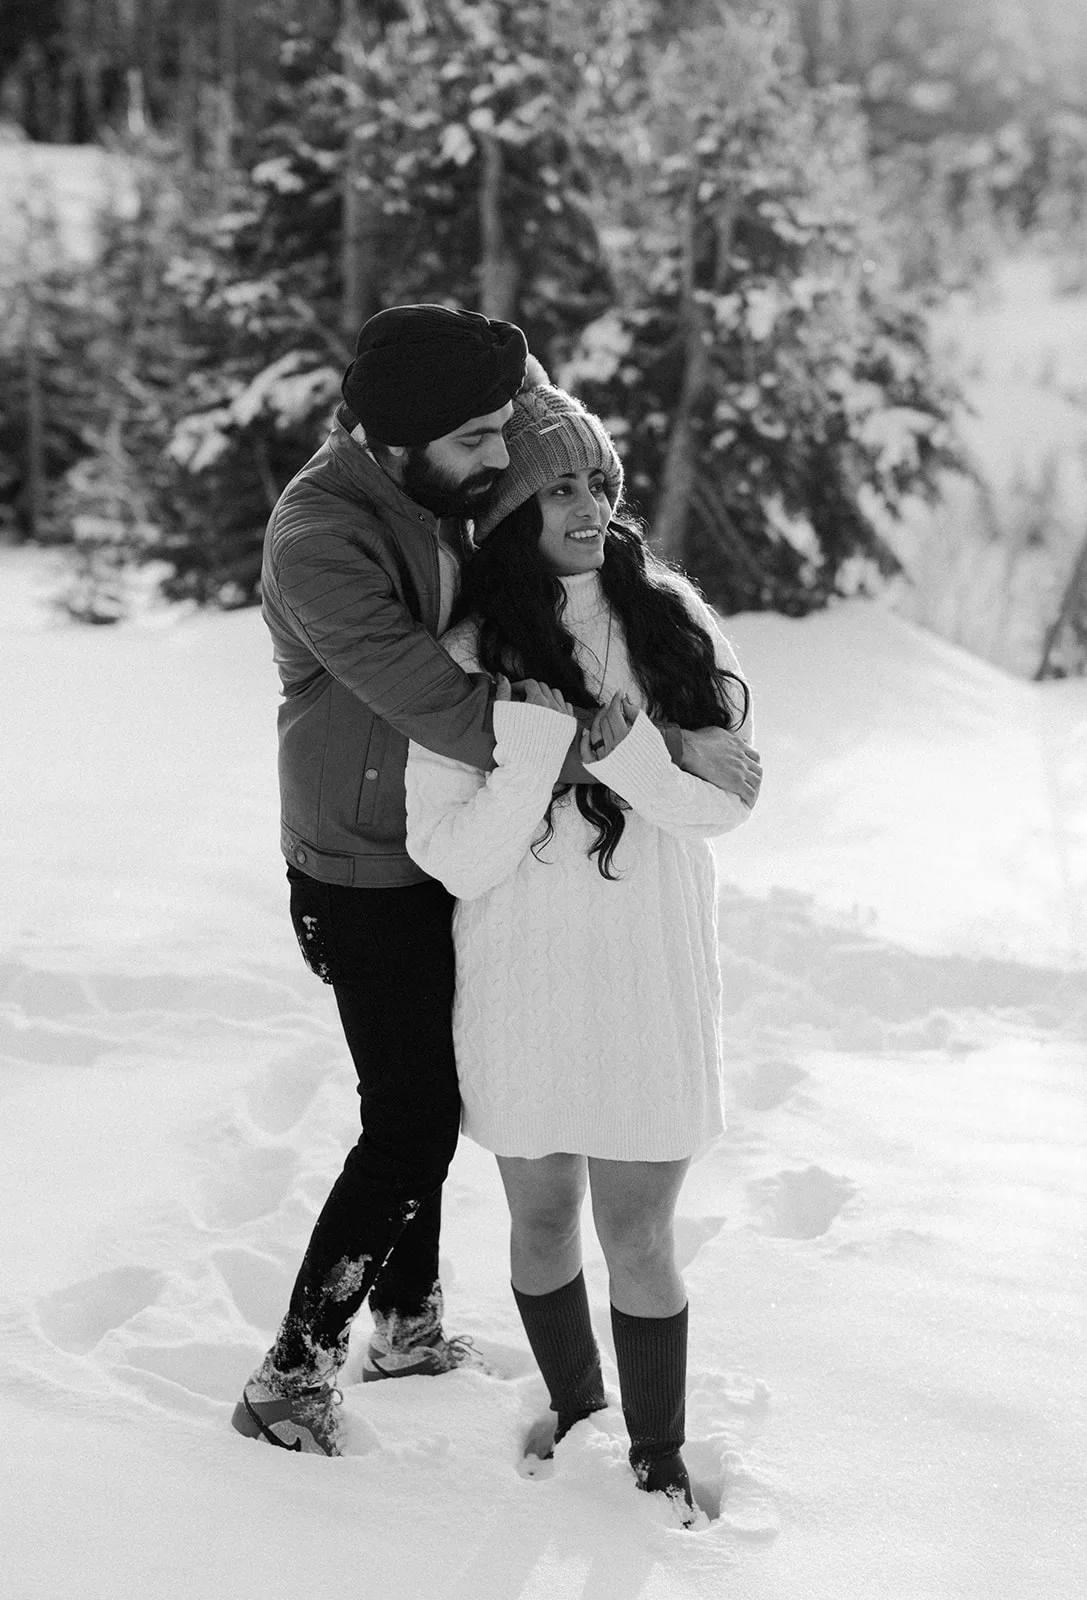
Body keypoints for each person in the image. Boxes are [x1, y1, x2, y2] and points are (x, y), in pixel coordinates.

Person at [232, 308, 750, 1458]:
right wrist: (639, 742)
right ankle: (293, 1369)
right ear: (403, 436)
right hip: (363, 863)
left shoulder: (447, 483)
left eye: (494, 439)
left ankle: (408, 1321)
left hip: (468, 857)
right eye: (474, 439)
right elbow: (446, 706)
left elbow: (551, 459)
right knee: (413, 1120)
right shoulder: (322, 532)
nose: (494, 459)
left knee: (443, 1096)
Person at [404, 383, 761, 1518]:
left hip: (647, 980)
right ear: (511, 506)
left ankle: (656, 1455)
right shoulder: (466, 649)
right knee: (544, 1217)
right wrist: (545, 756)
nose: (588, 503)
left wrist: (640, 752)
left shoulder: (673, 622)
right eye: (558, 485)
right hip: (522, 983)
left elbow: (727, 807)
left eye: (599, 481)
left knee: (640, 1231)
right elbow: (454, 856)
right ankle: (574, 1406)